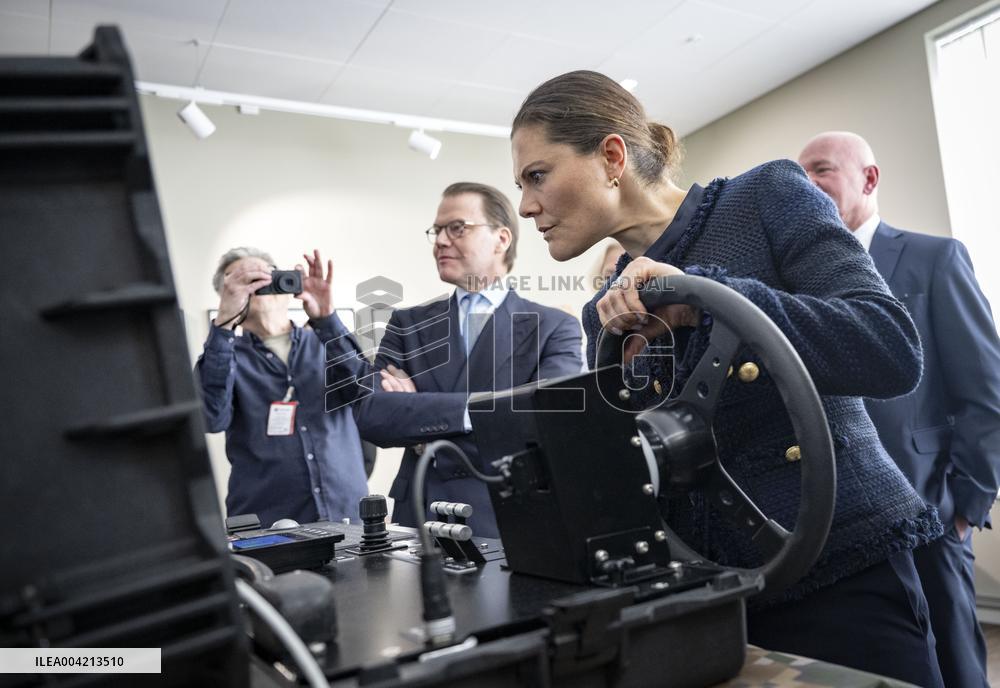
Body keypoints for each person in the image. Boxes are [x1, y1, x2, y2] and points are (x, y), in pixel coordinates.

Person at [510, 70, 944, 687]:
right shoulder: (604, 313)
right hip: (710, 605)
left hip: (845, 574)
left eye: (537, 175)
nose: (526, 205)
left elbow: (890, 347)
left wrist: (706, 298)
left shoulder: (767, 196)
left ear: (611, 157)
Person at [799, 131, 1000, 688]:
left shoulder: (935, 258)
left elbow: (985, 390)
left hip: (928, 507)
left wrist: (964, 507)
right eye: (801, 173)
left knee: (955, 665)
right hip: (840, 521)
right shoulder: (801, 281)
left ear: (869, 179)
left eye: (822, 169)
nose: (807, 183)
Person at [327, 182, 583, 538]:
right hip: (420, 516)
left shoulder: (554, 327)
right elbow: (371, 415)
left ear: (501, 239)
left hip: (512, 517)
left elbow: (545, 421)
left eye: (457, 228)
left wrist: (424, 420)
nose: (441, 241)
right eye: (437, 231)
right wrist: (493, 409)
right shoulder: (408, 323)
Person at [196, 247, 368, 528]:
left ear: (287, 284)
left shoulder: (327, 342)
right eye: (242, 281)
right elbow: (210, 419)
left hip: (347, 514)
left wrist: (327, 319)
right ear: (226, 295)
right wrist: (223, 325)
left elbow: (366, 394)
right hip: (266, 523)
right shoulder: (223, 357)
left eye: (264, 276)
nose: (256, 286)